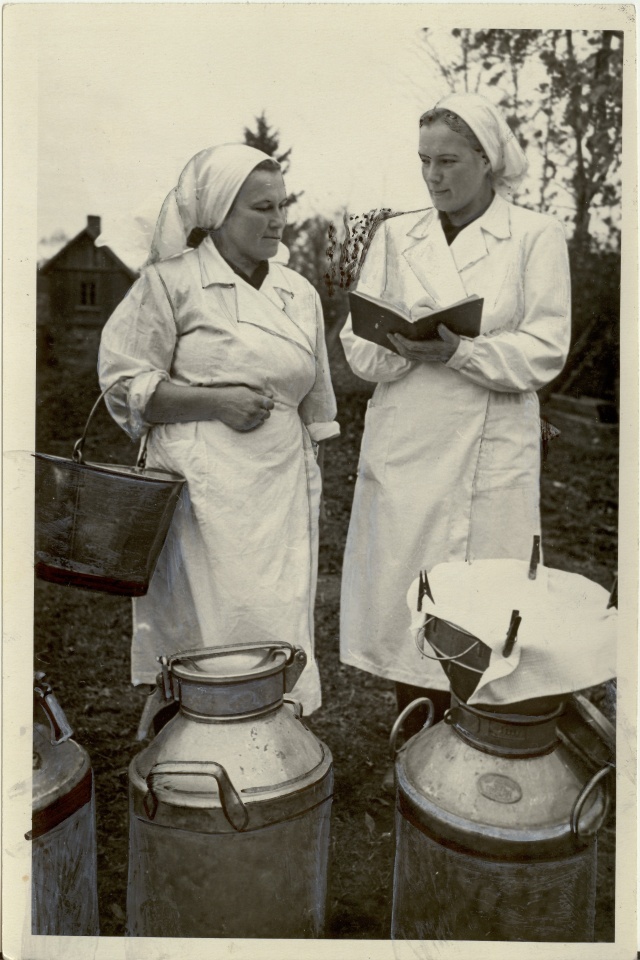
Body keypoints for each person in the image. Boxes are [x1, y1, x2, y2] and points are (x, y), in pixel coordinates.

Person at [339, 93, 571, 737]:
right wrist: (400, 347)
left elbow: (546, 347)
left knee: (483, 600)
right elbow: (355, 344)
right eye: (424, 162)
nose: (433, 176)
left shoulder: (534, 236)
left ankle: (477, 746)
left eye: (448, 160)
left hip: (489, 450)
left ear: (486, 160)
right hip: (408, 441)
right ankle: (414, 737)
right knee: (407, 592)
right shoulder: (396, 235)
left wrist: (462, 351)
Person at [98, 144, 339, 715]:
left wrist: (313, 473)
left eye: (281, 206)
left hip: (278, 483)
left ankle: (273, 731)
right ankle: (189, 730)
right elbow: (122, 384)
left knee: (275, 609)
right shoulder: (170, 283)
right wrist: (218, 402)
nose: (277, 220)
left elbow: (316, 398)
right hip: (199, 484)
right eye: (261, 207)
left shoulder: (297, 293)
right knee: (205, 617)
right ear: (219, 211)